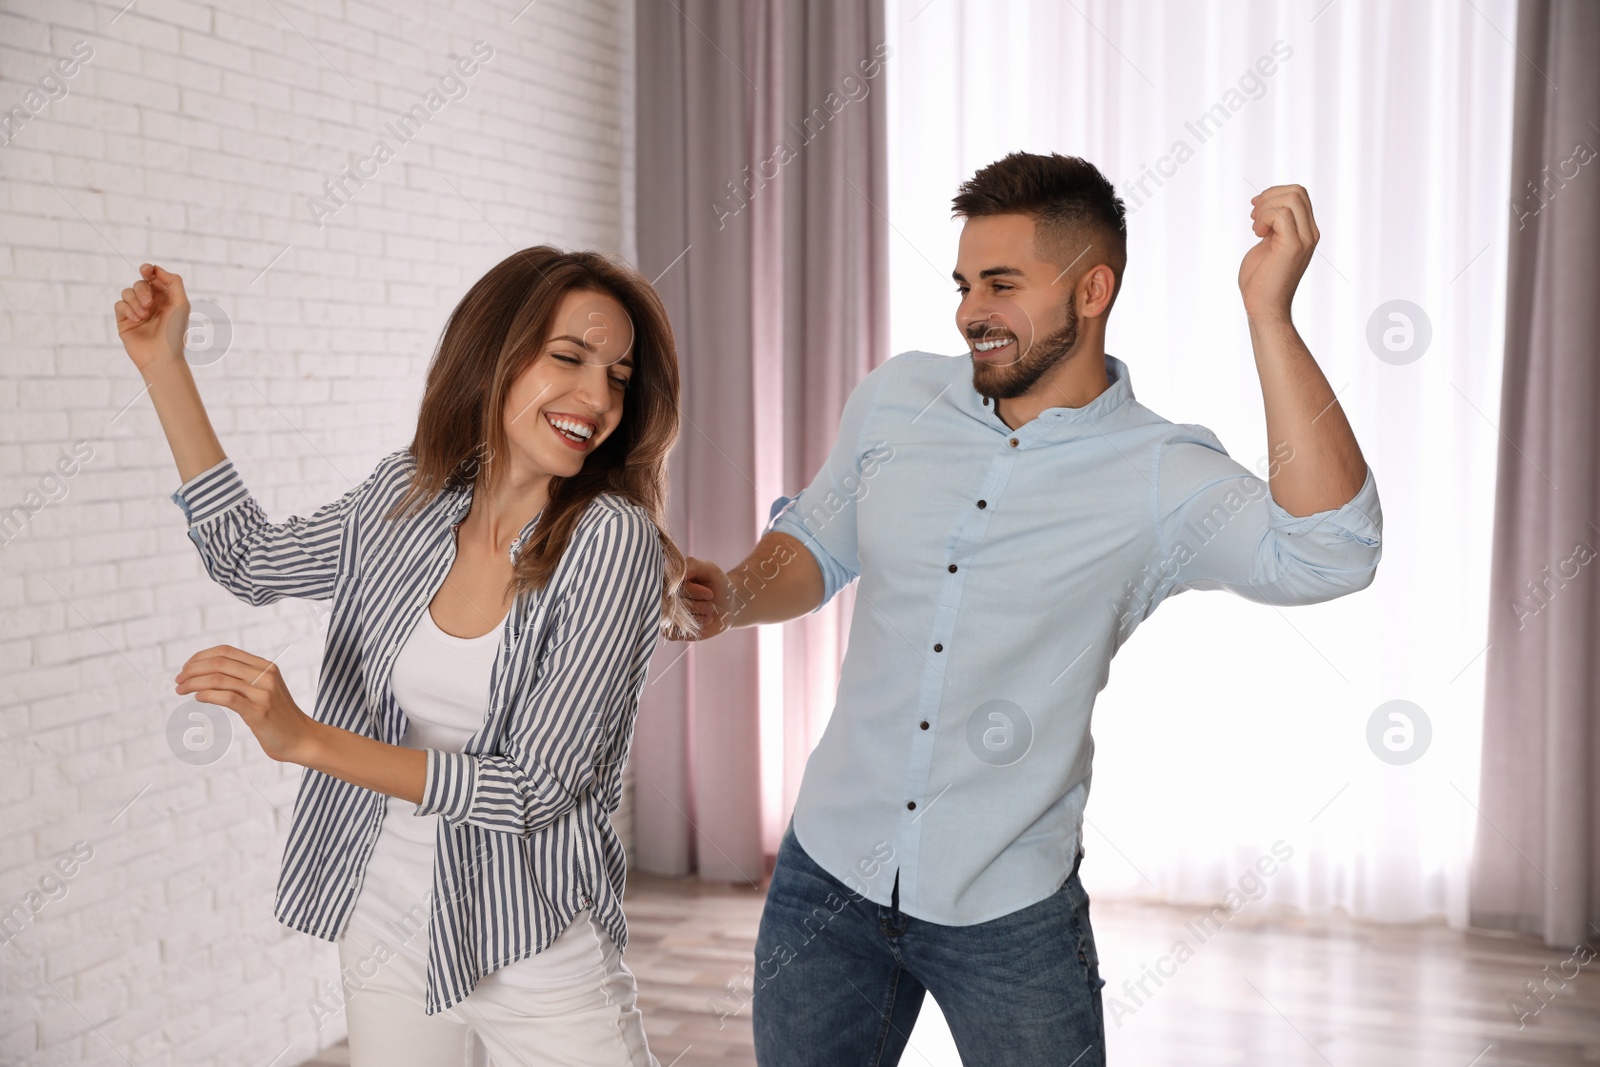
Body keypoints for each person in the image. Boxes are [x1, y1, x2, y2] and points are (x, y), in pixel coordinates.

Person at [675, 152, 1383, 1065]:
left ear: (1093, 289)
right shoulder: (898, 399)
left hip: (1008, 911)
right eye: (966, 282)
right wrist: (731, 593)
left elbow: (1334, 551)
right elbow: (815, 544)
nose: (972, 309)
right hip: (828, 880)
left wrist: (1269, 317)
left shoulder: (1159, 471)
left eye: (1002, 284)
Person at [116, 247, 693, 1067]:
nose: (597, 398)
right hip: (387, 921)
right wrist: (164, 366)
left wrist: (306, 739)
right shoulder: (406, 497)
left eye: (620, 377)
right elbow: (248, 558)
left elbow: (538, 786)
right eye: (568, 359)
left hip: (528, 938)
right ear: (495, 356)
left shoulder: (610, 541)